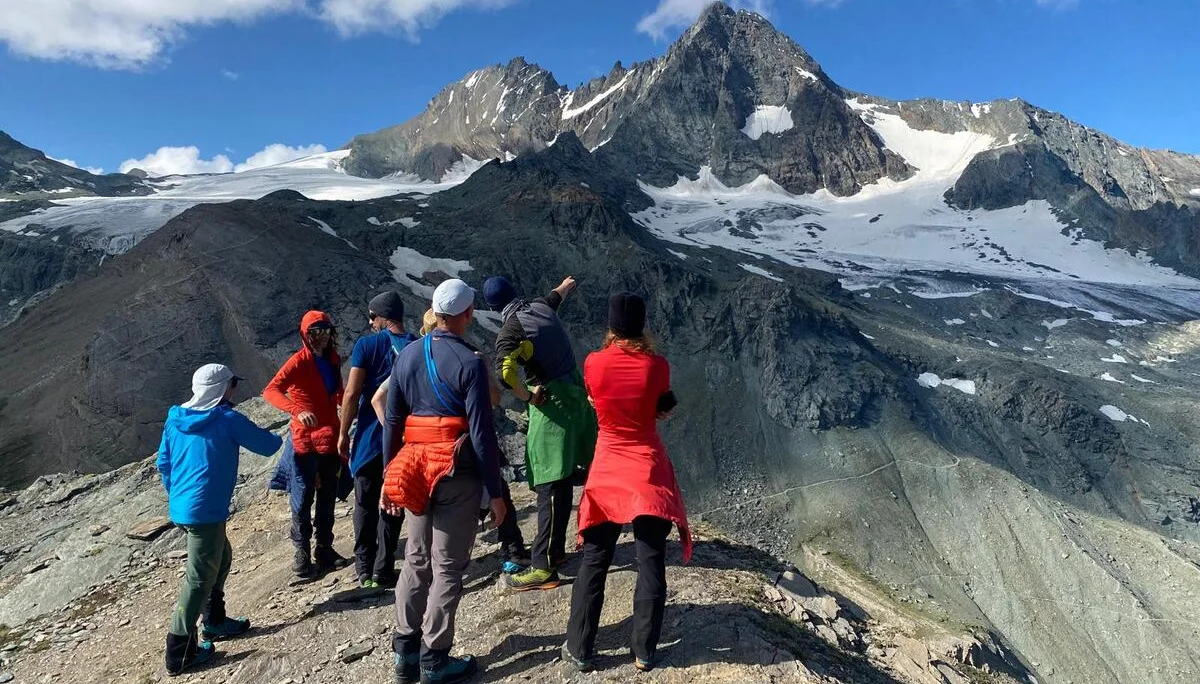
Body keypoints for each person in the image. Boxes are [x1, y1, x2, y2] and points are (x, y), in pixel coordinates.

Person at [381, 279, 507, 684]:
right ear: (467, 314)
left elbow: (393, 422)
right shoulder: (470, 362)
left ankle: (405, 653)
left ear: (435, 312)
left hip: (415, 467)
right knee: (448, 566)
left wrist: (389, 476)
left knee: (416, 559)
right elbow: (482, 433)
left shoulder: (407, 355)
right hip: (457, 470)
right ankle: (435, 660)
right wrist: (496, 493)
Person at [562, 292, 691, 673]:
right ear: (641, 324)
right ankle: (644, 652)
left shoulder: (593, 363)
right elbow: (660, 405)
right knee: (650, 559)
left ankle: (580, 648)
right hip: (647, 468)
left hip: (608, 466)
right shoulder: (657, 365)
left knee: (595, 559)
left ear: (611, 325)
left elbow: (595, 398)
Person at [157, 364, 283, 676]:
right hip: (205, 511)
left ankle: (214, 621)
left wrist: (179, 497)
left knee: (221, 556)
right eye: (232, 384)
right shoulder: (226, 419)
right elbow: (268, 446)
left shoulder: (175, 419)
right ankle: (179, 653)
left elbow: (164, 463)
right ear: (223, 389)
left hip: (184, 507)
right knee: (198, 578)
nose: (234, 389)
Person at [483, 275, 596, 591]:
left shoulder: (510, 331)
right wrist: (568, 284)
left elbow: (505, 374)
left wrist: (528, 396)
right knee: (563, 478)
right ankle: (555, 551)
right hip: (575, 398)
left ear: (492, 307)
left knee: (549, 481)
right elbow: (556, 295)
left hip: (552, 404)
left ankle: (543, 568)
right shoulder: (541, 307)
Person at [339, 291, 417, 588]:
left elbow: (351, 393)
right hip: (403, 439)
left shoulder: (366, 345)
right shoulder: (415, 345)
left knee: (365, 502)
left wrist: (343, 433)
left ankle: (364, 569)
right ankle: (383, 569)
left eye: (372, 316)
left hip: (370, 437)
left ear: (384, 317)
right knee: (393, 500)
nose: (370, 321)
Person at [263, 310, 348, 580]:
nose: (320, 337)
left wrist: (351, 403)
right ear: (305, 334)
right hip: (305, 439)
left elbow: (337, 393)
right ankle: (301, 552)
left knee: (328, 494)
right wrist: (297, 410)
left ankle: (323, 548)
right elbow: (271, 390)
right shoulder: (298, 362)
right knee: (302, 496)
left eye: (325, 331)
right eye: (314, 332)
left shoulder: (332, 359)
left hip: (329, 436)